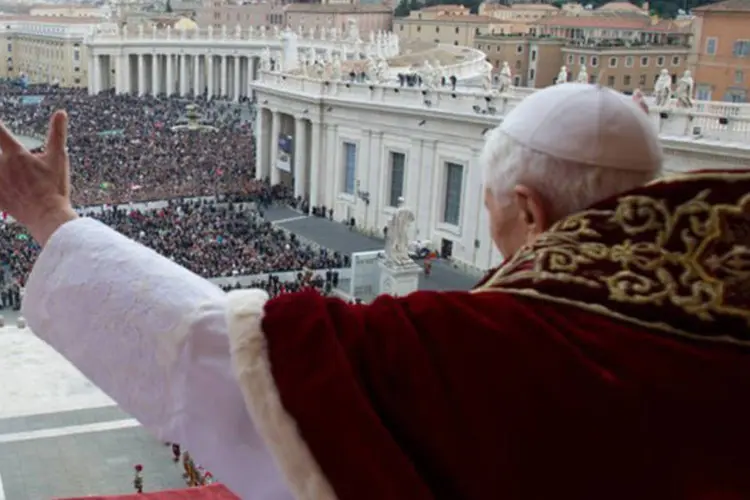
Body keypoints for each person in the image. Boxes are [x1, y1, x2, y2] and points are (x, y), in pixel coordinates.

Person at [1, 84, 750, 500]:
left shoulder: (483, 346)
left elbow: (247, 368)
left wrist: (48, 217)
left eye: (489, 204)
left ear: (529, 210)